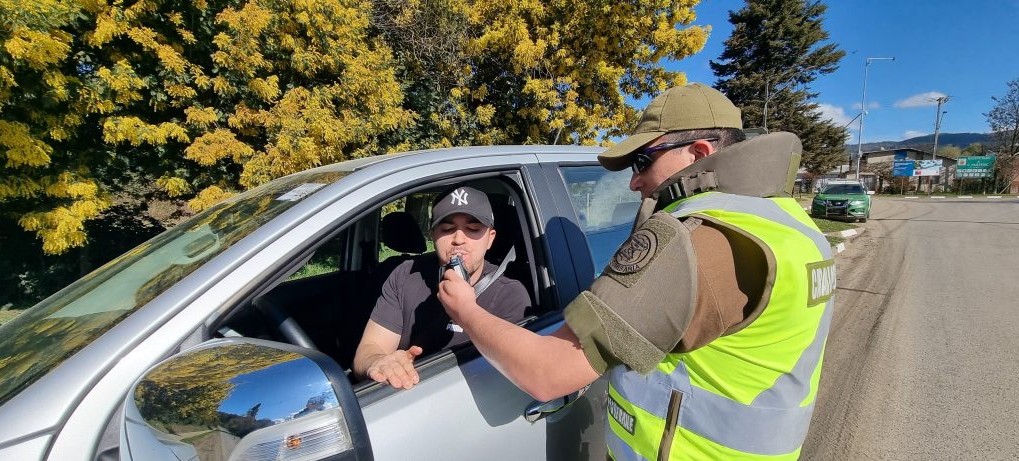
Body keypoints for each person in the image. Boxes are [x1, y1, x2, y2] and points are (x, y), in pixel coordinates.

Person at [438, 83, 836, 459]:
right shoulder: (791, 225)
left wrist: (465, 309)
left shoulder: (695, 240)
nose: (634, 182)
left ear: (697, 153)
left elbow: (548, 372)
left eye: (643, 161)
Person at [353, 186, 531, 389]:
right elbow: (368, 350)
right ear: (433, 235)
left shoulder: (510, 295)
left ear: (490, 238)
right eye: (447, 229)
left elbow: (515, 378)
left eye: (473, 229)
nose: (459, 239)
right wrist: (378, 363)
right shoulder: (405, 275)